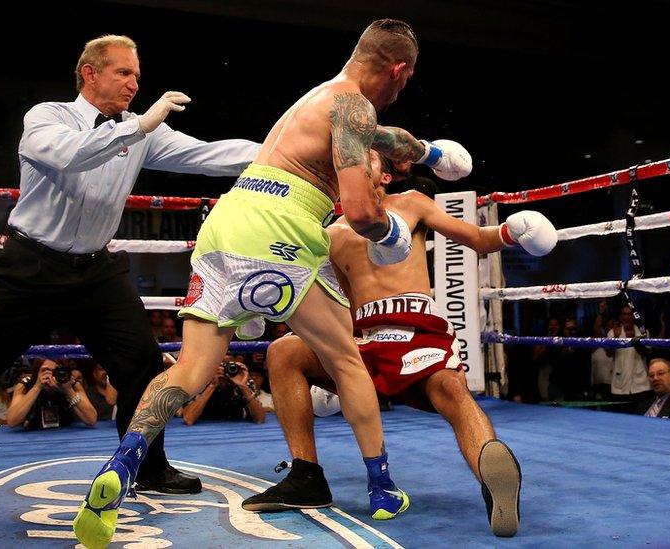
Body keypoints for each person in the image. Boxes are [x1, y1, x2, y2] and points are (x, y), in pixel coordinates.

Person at [74, 20, 481, 547]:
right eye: (404, 83)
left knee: (193, 368)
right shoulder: (355, 105)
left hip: (225, 224)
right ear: (398, 70)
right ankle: (383, 489)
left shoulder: (322, 99)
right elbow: (358, 210)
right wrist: (393, 233)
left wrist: (426, 153)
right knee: (347, 360)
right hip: (281, 226)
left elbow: (381, 139)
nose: (400, 91)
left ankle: (122, 464)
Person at [0, 34, 259, 507]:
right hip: (32, 266)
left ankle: (148, 464)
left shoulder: (141, 131)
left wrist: (283, 150)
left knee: (141, 363)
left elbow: (208, 154)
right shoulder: (46, 117)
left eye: (138, 75)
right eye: (123, 72)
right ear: (90, 73)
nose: (134, 83)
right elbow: (71, 155)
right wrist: (138, 128)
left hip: (97, 270)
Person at [241, 153, 556, 537]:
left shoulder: (411, 204)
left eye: (365, 159)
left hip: (417, 326)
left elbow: (477, 239)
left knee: (451, 389)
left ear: (384, 175)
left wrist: (510, 231)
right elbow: (338, 300)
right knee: (284, 351)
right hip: (364, 337)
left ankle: (493, 480)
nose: (353, 164)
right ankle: (306, 475)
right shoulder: (330, 235)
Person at [6, 359, 97, 428]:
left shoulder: (71, 384)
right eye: (45, 371)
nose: (50, 376)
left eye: (55, 371)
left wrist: (68, 391)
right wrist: (37, 387)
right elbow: (12, 421)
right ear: (37, 372)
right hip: (32, 433)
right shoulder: (25, 386)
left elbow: (91, 419)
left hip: (65, 435)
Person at [180, 361, 266, 425]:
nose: (225, 370)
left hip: (236, 428)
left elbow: (260, 418)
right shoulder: (199, 381)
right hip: (205, 429)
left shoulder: (243, 380)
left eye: (228, 366)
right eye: (221, 366)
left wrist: (243, 387)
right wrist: (212, 385)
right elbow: (189, 419)